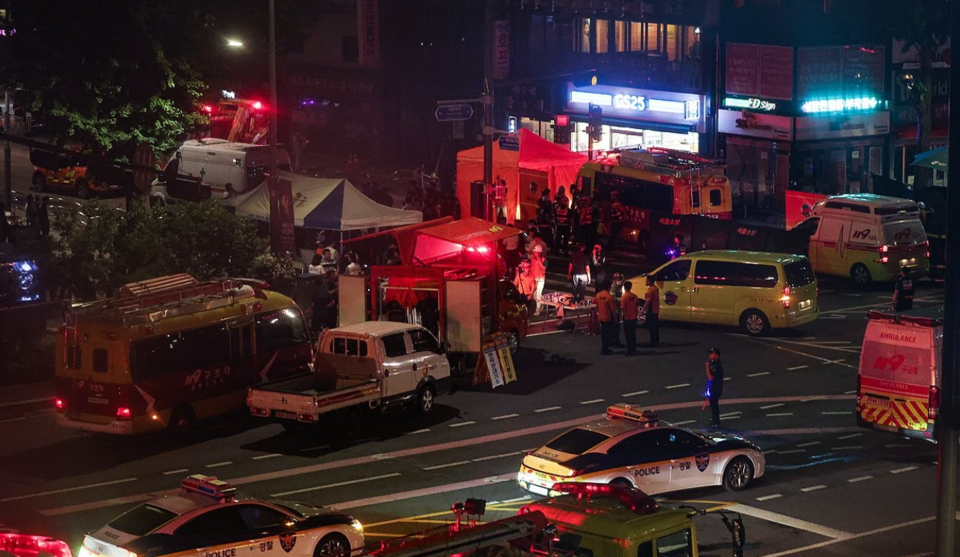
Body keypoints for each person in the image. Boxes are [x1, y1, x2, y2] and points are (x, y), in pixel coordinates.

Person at [596, 282, 618, 355]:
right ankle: (606, 348)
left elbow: (596, 305)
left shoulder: (598, 295)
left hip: (601, 316)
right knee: (609, 333)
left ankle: (604, 347)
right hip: (608, 317)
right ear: (608, 287)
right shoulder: (609, 297)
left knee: (604, 333)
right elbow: (612, 309)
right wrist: (615, 319)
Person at [705, 348, 725, 428]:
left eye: (712, 353)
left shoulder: (716, 366)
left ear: (717, 355)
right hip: (713, 388)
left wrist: (707, 368)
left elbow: (710, 377)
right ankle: (714, 420)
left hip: (715, 389)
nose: (710, 355)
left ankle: (716, 422)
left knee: (714, 406)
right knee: (713, 406)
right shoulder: (714, 363)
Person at [620, 280, 640, 355]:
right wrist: (636, 315)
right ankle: (633, 348)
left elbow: (623, 308)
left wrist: (625, 317)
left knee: (628, 335)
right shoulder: (634, 296)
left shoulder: (624, 297)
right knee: (633, 334)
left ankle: (629, 350)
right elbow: (636, 307)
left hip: (627, 318)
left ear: (624, 287)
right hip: (634, 317)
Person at [641, 275, 660, 347]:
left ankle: (652, 341)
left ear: (649, 281)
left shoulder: (650, 290)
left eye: (647, 280)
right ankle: (656, 339)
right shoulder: (656, 288)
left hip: (651, 310)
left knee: (650, 326)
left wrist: (643, 309)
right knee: (655, 325)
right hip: (656, 309)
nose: (646, 281)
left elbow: (648, 301)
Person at [529, 244, 547, 316]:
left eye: (536, 252)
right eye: (534, 252)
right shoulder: (532, 259)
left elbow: (544, 269)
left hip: (540, 279)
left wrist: (539, 261)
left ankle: (538, 310)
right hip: (534, 279)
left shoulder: (544, 260)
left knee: (538, 294)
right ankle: (542, 303)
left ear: (539, 253)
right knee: (533, 294)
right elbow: (532, 268)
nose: (534, 253)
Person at [553, 189, 571, 256]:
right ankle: (561, 252)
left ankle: (559, 252)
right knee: (562, 239)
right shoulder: (559, 208)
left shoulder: (557, 208)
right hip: (563, 226)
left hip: (562, 226)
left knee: (562, 239)